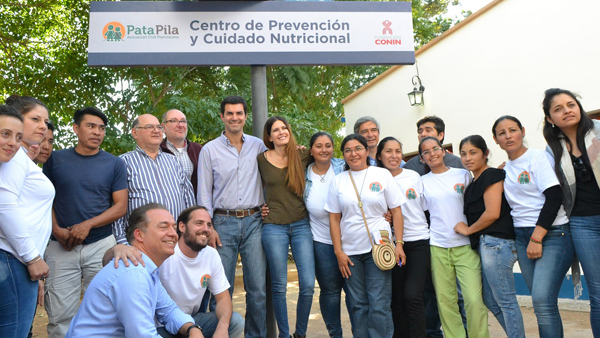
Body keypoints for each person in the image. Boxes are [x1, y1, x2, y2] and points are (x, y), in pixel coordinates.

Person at [42, 107, 128, 338]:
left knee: (103, 311)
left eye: (101, 128)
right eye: (91, 126)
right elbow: (43, 199)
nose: (97, 132)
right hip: (60, 246)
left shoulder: (114, 164)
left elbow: (120, 206)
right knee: (60, 316)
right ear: (76, 128)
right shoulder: (55, 159)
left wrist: (87, 225)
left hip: (101, 245)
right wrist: (56, 229)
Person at [65, 203, 202, 338]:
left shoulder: (145, 269)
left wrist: (192, 328)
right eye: (163, 227)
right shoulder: (134, 274)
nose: (173, 234)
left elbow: (169, 310)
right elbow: (143, 335)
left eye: (174, 227)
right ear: (139, 235)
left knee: (212, 322)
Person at [106, 205, 245, 338]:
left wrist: (219, 328)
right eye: (199, 223)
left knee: (234, 321)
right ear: (182, 227)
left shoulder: (211, 255)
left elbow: (223, 298)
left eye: (209, 225)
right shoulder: (164, 251)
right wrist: (116, 249)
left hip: (183, 321)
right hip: (156, 327)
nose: (205, 229)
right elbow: (111, 261)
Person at [493, 115, 573, 337]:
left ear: (523, 131)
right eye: (502, 133)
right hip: (522, 235)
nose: (508, 136)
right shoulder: (504, 169)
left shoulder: (538, 158)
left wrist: (537, 238)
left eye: (512, 130)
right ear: (496, 139)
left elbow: (554, 197)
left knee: (541, 300)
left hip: (553, 233)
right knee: (542, 305)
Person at [197, 95, 267, 337]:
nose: (234, 117)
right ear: (222, 117)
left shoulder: (259, 146)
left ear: (246, 116)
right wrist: (208, 227)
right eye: (230, 113)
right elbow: (204, 193)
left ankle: (255, 335)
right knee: (219, 286)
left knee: (257, 288)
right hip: (222, 223)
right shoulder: (209, 150)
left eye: (239, 113)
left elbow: (277, 168)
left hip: (255, 221)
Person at [326, 134, 406, 338]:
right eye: (348, 150)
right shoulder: (338, 181)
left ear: (367, 151)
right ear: (343, 155)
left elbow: (396, 211)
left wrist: (399, 244)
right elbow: (334, 219)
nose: (354, 154)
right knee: (359, 306)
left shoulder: (382, 175)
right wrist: (338, 251)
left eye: (358, 148)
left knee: (379, 304)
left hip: (379, 249)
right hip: (350, 253)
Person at [541, 88, 600, 336]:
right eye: (558, 109)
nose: (567, 110)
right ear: (549, 119)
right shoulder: (552, 150)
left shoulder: (598, 131)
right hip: (582, 224)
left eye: (571, 104)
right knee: (598, 292)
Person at [454, 135, 525, 338]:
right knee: (491, 299)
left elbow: (492, 212)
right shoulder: (474, 181)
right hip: (486, 245)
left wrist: (468, 230)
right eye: (463, 154)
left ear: (485, 153)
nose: (467, 158)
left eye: (473, 152)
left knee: (506, 301)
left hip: (497, 243)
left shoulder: (492, 175)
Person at [419, 136, 489, 338]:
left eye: (435, 149)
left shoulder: (463, 175)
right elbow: (414, 209)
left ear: (443, 151)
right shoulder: (422, 182)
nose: (432, 154)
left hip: (465, 246)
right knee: (445, 301)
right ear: (422, 158)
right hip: (438, 246)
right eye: (426, 152)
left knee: (473, 300)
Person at [403, 115, 466, 337]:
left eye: (428, 129)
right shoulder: (410, 166)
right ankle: (433, 333)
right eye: (420, 130)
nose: (423, 133)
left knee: (461, 295)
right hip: (427, 239)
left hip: (460, 239)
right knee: (432, 293)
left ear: (441, 136)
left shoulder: (459, 164)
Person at [0, 95, 54, 338]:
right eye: (36, 119)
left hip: (17, 260)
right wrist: (32, 258)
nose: (43, 125)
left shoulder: (20, 158)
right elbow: (5, 205)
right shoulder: (14, 159)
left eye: (46, 120)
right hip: (13, 259)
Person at [257, 116, 314, 338]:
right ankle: (284, 334)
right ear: (269, 136)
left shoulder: (303, 155)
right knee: (279, 286)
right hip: (273, 227)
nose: (281, 132)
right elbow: (252, 186)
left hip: (301, 225)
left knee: (308, 284)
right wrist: (258, 206)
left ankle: (300, 333)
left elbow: (330, 164)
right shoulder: (260, 159)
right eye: (275, 130)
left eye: (284, 128)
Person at [376, 136, 430, 338]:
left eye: (398, 151)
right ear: (380, 156)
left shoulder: (413, 176)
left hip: (418, 242)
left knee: (413, 294)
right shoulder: (376, 179)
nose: (394, 155)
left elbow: (425, 209)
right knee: (396, 297)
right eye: (388, 151)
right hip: (389, 246)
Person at [113, 114, 195, 244]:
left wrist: (190, 234)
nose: (156, 131)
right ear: (135, 133)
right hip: (142, 242)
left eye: (158, 127)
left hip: (177, 240)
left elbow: (188, 198)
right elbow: (116, 205)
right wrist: (122, 241)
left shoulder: (174, 161)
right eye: (149, 127)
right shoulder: (123, 162)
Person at [303, 131, 352, 338]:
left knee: (354, 292)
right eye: (319, 146)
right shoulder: (302, 173)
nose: (324, 150)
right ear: (311, 150)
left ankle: (360, 331)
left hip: (350, 240)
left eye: (328, 145)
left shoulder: (343, 167)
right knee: (330, 292)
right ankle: (336, 334)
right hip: (321, 241)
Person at [160, 109, 203, 195]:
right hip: (168, 206)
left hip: (195, 206)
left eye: (183, 121)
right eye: (174, 121)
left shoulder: (198, 149)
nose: (180, 125)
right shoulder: (158, 151)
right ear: (163, 127)